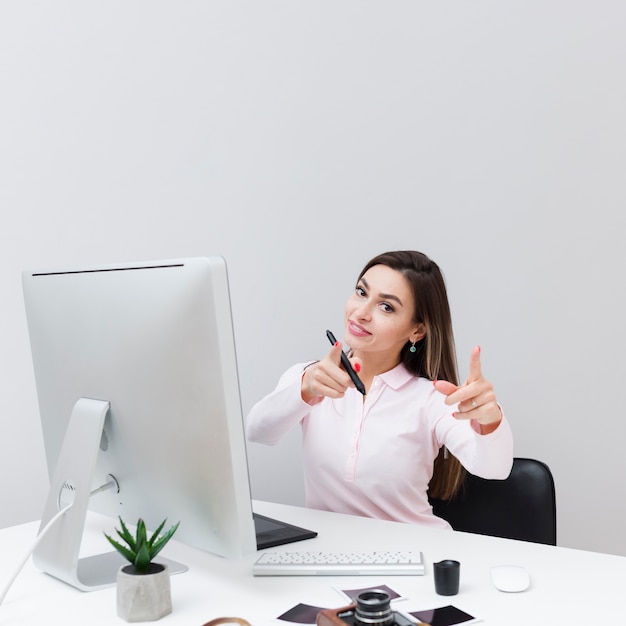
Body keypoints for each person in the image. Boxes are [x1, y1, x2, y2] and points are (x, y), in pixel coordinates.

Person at [246, 250, 513, 528]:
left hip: (415, 555)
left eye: (386, 307)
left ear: (417, 331)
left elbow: (494, 468)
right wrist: (305, 390)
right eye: (361, 292)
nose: (360, 313)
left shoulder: (431, 399)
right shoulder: (311, 378)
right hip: (330, 553)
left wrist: (489, 419)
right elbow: (257, 431)